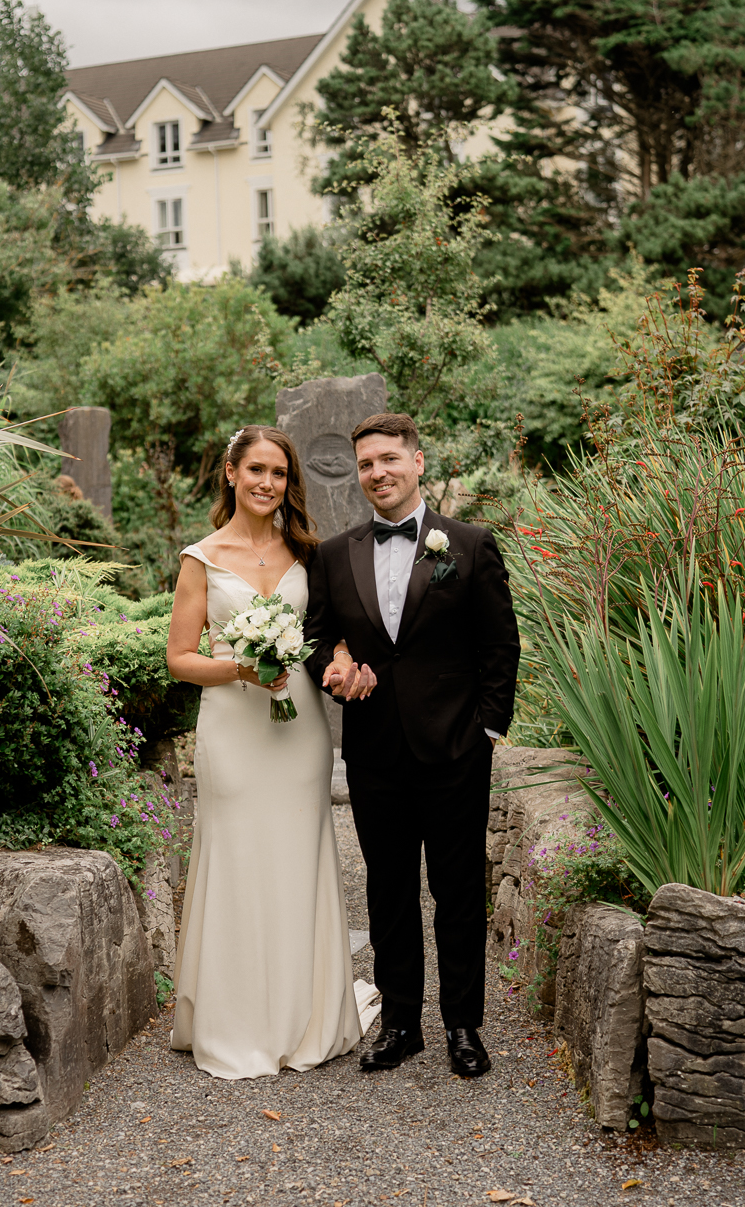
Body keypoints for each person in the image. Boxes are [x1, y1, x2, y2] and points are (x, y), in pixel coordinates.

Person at [305, 413, 521, 1078]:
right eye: (367, 464)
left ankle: (462, 1025)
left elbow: (499, 648)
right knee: (389, 889)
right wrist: (335, 675)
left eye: (389, 459)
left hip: (456, 749)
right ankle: (400, 1022)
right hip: (374, 752)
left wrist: (486, 731)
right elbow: (316, 638)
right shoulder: (334, 553)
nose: (378, 473)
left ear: (418, 462)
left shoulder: (471, 544)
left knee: (457, 889)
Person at [164, 425, 374, 1079]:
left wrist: (340, 661)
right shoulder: (200, 557)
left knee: (295, 860)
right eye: (256, 469)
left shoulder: (309, 553)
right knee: (236, 859)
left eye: (279, 474)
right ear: (230, 473)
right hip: (232, 724)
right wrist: (240, 672)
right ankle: (233, 1023)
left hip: (299, 730)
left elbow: (333, 634)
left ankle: (303, 1016)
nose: (267, 483)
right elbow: (179, 659)